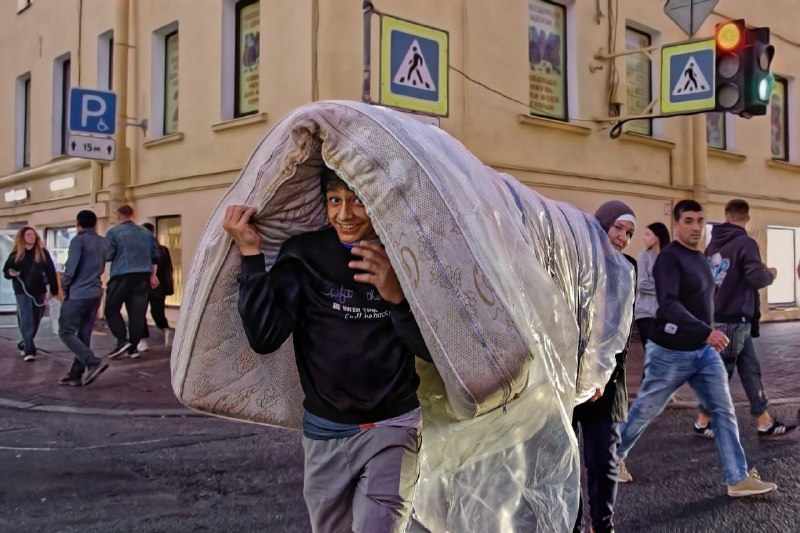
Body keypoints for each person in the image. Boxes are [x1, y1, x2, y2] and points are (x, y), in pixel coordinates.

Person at [223, 166, 432, 533]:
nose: (345, 214)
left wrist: (396, 297)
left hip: (393, 425)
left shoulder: (405, 254)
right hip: (325, 431)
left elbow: (434, 351)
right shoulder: (305, 255)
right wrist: (251, 254)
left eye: (358, 201)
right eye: (335, 200)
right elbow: (266, 336)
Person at [617, 200, 777, 498]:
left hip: (704, 353)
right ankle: (613, 458)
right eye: (688, 220)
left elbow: (707, 299)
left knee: (723, 409)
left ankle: (737, 478)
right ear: (677, 224)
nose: (695, 227)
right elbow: (670, 305)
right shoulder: (669, 259)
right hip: (671, 352)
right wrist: (707, 331)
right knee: (646, 410)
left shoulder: (702, 259)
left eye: (700, 220)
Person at [693, 199, 796, 438]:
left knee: (750, 369)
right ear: (747, 218)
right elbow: (756, 278)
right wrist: (770, 274)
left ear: (727, 216)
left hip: (722, 316)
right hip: (734, 318)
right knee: (722, 374)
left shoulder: (712, 244)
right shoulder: (746, 243)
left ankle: (764, 421)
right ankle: (702, 421)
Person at [572, 201, 637, 533]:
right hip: (568, 378)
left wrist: (601, 377)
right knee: (565, 461)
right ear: (602, 225)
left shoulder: (629, 268)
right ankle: (571, 523)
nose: (623, 238)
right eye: (618, 229)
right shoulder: (579, 263)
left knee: (603, 460)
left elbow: (621, 333)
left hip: (606, 382)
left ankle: (602, 524)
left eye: (629, 233)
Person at [57, 210, 109, 387]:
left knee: (65, 331)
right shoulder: (103, 242)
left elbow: (71, 268)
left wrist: (65, 288)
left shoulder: (78, 240)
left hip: (78, 293)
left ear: (77, 223)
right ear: (95, 224)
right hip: (95, 293)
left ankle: (93, 362)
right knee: (84, 333)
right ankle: (75, 374)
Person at [104, 204, 160, 360]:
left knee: (111, 309)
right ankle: (133, 348)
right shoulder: (145, 233)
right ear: (132, 215)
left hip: (122, 275)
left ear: (118, 215)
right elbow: (156, 255)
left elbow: (108, 255)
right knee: (137, 313)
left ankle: (122, 341)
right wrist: (153, 275)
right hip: (143, 276)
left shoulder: (114, 232)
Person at [2, 226, 58, 361]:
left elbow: (51, 271)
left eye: (33, 235)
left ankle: (25, 342)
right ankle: (29, 350)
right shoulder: (16, 254)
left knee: (36, 319)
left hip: (39, 290)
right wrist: (11, 273)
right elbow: (6, 271)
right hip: (22, 291)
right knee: (26, 318)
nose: (31, 237)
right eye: (28, 235)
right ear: (22, 237)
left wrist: (54, 291)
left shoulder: (42, 253)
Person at [137, 222, 175, 352]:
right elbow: (169, 270)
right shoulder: (162, 249)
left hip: (145, 285)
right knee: (156, 312)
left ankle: (142, 341)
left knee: (140, 312)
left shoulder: (143, 250)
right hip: (159, 287)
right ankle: (165, 330)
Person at [634, 222, 671, 349]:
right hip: (645, 312)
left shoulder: (671, 258)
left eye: (647, 234)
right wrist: (664, 287)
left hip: (666, 313)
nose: (644, 238)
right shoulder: (643, 257)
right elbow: (641, 283)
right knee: (652, 349)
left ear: (657, 237)